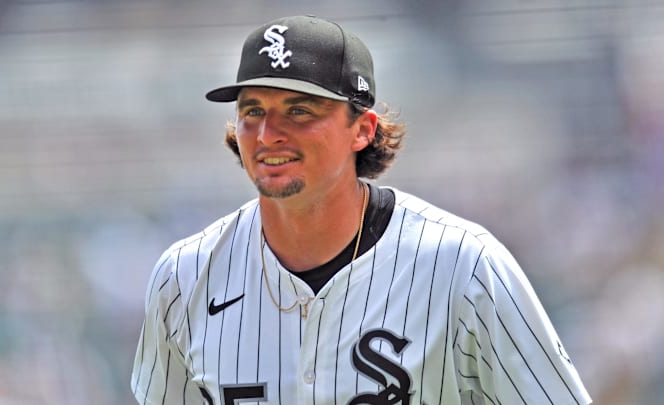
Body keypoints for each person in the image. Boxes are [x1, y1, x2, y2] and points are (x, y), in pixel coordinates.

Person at [131, 15, 591, 405]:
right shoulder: (184, 277)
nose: (268, 133)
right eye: (253, 111)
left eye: (300, 111)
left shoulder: (465, 266)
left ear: (362, 129)